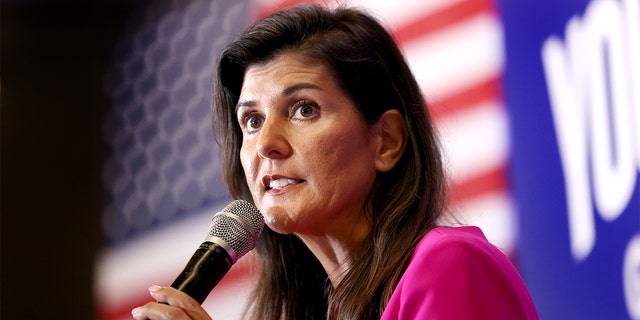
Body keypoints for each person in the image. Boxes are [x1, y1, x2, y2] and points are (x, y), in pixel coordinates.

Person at [131, 3, 539, 320]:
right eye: (252, 121)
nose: (266, 144)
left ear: (386, 142)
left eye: (303, 109)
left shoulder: (449, 266)